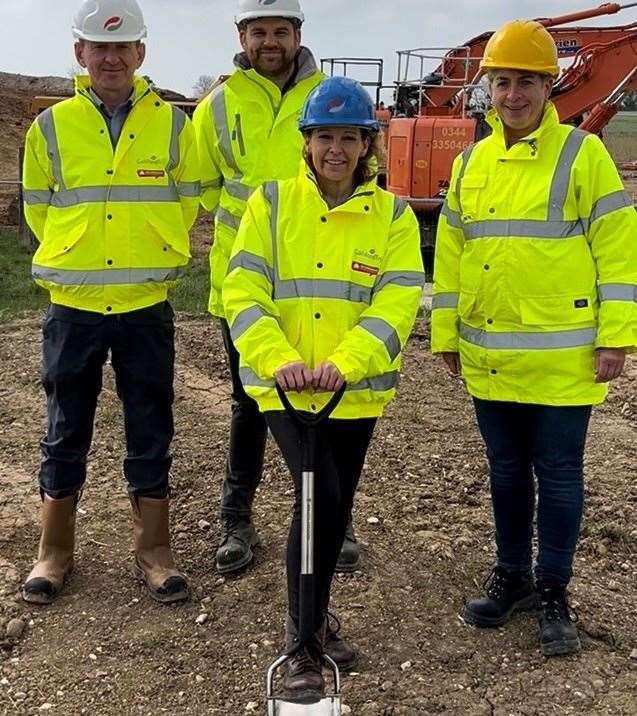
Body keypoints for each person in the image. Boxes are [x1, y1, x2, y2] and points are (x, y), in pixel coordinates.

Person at [431, 19, 637, 656]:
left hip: (564, 356)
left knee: (560, 474)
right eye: (503, 82)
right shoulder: (470, 163)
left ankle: (553, 590)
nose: (513, 94)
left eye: (526, 82)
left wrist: (616, 338)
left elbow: (618, 251)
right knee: (506, 473)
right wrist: (445, 333)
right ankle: (513, 577)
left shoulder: (583, 153)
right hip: (492, 355)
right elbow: (453, 254)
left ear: (550, 88)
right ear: (488, 87)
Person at [223, 77, 424, 701]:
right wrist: (277, 358)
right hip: (284, 389)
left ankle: (315, 618)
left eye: (349, 138)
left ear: (368, 144)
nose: (336, 149)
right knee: (319, 497)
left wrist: (347, 360)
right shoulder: (271, 203)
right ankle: (303, 648)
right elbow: (242, 289)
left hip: (350, 389)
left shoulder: (392, 215)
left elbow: (398, 298)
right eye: (324, 137)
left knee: (334, 507)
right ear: (305, 142)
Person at [21, 0, 200, 605]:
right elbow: (38, 209)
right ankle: (54, 552)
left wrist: (148, 249)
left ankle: (155, 551)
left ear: (141, 53)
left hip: (145, 305)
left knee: (151, 425)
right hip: (73, 304)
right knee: (65, 426)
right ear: (80, 54)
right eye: (99, 47)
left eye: (122, 47)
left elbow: (188, 202)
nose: (111, 57)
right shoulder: (49, 127)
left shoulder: (175, 125)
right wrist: (79, 253)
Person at [193, 0, 365, 576]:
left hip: (323, 283)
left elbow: (356, 184)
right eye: (259, 31)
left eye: (281, 31)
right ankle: (236, 520)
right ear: (242, 36)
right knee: (250, 403)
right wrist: (248, 241)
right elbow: (198, 184)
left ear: (298, 35)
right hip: (244, 284)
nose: (271, 41)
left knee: (324, 406)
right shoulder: (218, 105)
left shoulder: (327, 96)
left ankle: (329, 521)